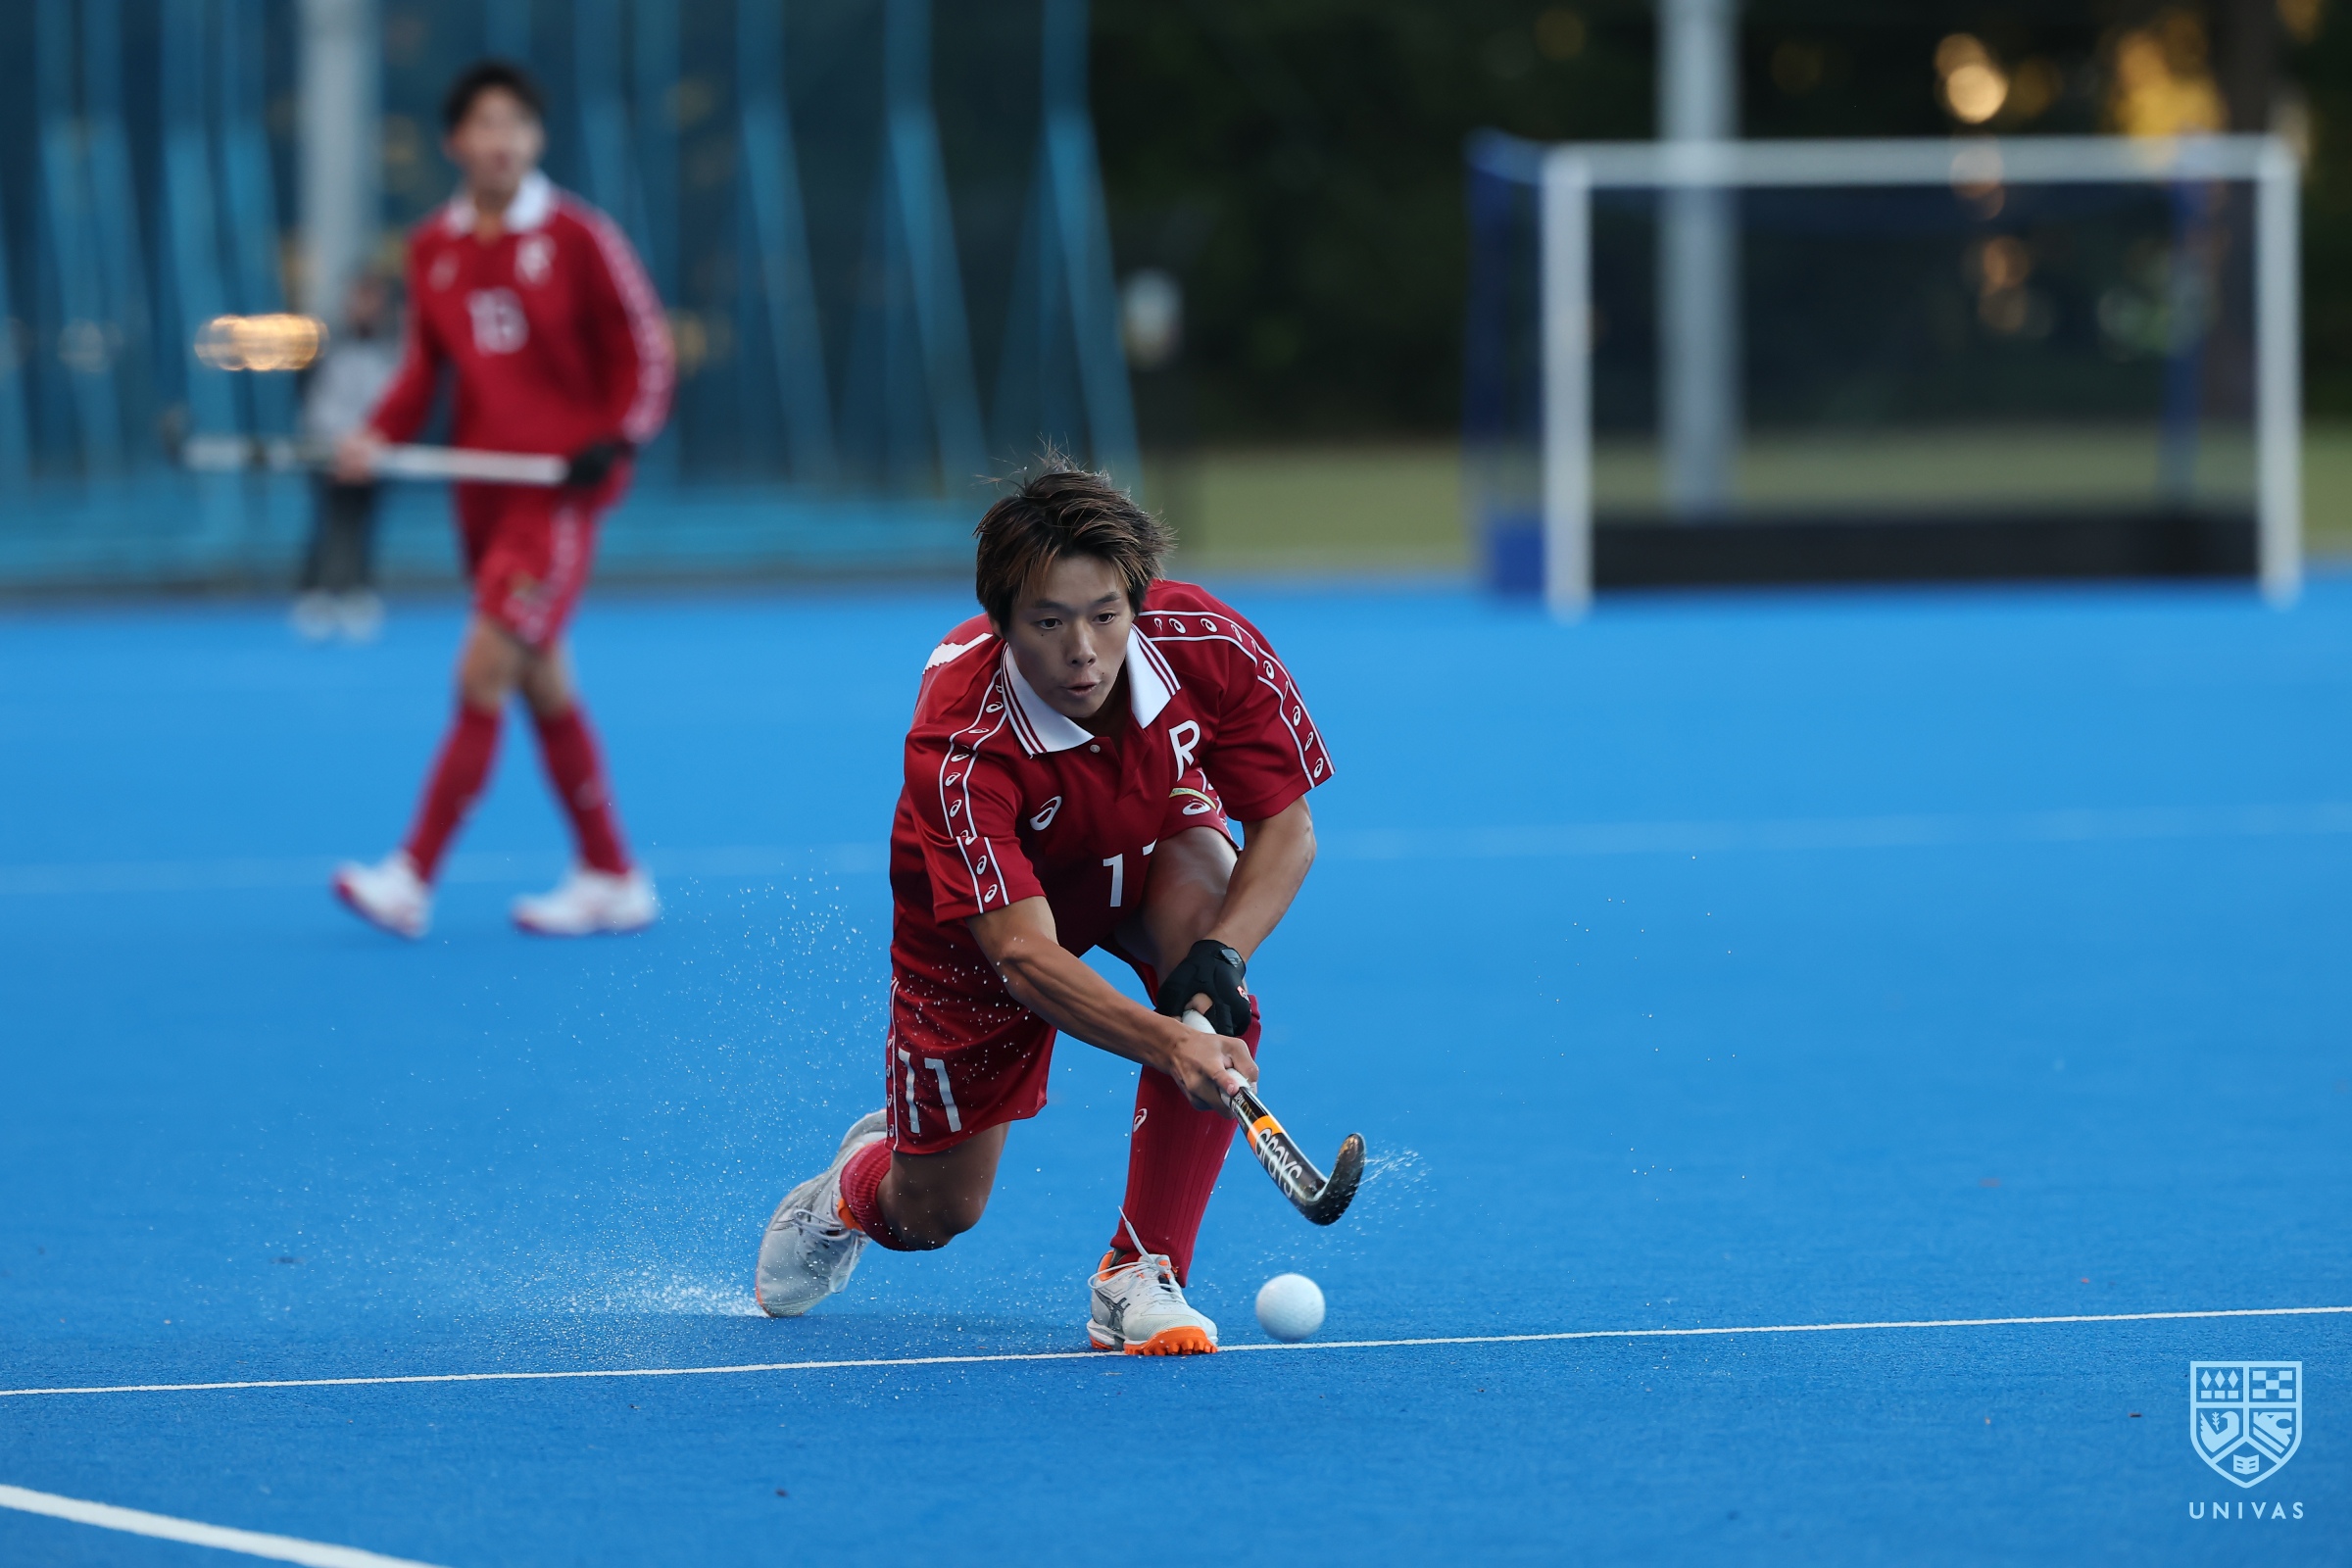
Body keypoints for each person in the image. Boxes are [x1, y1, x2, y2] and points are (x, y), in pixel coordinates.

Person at [755, 466, 1333, 1354]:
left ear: (1138, 601)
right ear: (1001, 623)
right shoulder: (961, 746)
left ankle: (1140, 1271)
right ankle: (847, 1190)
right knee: (935, 1213)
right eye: (1049, 623)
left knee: (1214, 997)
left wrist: (1222, 956)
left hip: (1147, 836)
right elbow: (1023, 955)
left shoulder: (1206, 641)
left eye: (1105, 615)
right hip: (980, 923)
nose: (1084, 652)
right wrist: (1168, 1044)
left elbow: (1287, 828)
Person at [329, 61, 673, 940]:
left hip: (555, 499)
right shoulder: (431, 248)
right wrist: (373, 436)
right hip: (480, 494)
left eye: (516, 123)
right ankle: (612, 874)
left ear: (536, 139)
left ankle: (411, 876)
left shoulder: (580, 235)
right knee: (542, 680)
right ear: (455, 142)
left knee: (482, 669)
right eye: (484, 124)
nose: (501, 140)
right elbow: (423, 373)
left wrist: (618, 437)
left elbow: (646, 348)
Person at [293, 273, 402, 643]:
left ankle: (358, 590)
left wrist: (372, 442)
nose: (367, 308)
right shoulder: (326, 348)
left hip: (373, 452)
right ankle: (315, 592)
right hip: (329, 450)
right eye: (361, 298)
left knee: (365, 522)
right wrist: (340, 445)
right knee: (327, 521)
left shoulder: (394, 349)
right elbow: (317, 404)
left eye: (374, 299)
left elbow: (394, 401)